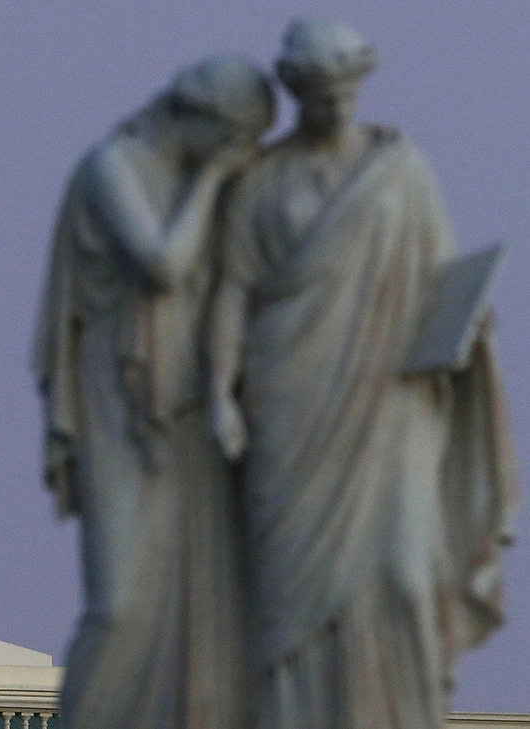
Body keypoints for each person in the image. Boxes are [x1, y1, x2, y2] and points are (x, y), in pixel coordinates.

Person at [208, 20, 519, 728]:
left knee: (405, 577)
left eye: (346, 90)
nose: (336, 106)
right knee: (289, 600)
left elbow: (441, 279)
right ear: (296, 92)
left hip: (394, 398)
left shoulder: (399, 168)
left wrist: (472, 328)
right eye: (321, 94)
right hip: (288, 398)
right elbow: (231, 289)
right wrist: (223, 393)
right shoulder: (260, 182)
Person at [34, 57, 274, 729]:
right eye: (237, 139)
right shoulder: (114, 166)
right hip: (118, 401)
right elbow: (165, 265)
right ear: (205, 120)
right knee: (120, 604)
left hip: (183, 408)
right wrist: (215, 177)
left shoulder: (188, 183)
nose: (239, 155)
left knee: (196, 606)